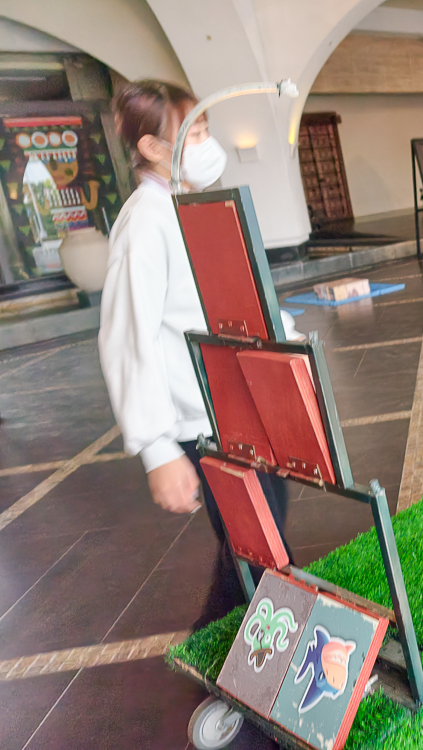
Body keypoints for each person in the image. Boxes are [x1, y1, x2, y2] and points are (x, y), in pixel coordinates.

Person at [99, 80, 295, 627]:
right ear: (153, 149)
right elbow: (126, 336)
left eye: (208, 129)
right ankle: (258, 673)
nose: (208, 143)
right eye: (195, 132)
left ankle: (217, 649)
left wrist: (286, 335)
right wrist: (157, 448)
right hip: (202, 416)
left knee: (257, 542)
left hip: (239, 401)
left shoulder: (189, 204)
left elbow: (223, 298)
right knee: (261, 545)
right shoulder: (145, 221)